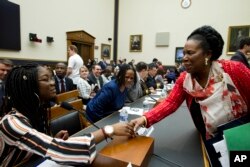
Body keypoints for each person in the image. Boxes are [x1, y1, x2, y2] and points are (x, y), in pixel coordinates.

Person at [131, 25, 250, 166]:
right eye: (184, 53)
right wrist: (144, 119)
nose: (184, 58)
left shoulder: (234, 70)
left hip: (241, 136)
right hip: (212, 140)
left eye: (190, 53)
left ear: (208, 54)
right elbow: (170, 103)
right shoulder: (185, 80)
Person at [0, 64, 135, 166]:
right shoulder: (12, 123)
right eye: (45, 79)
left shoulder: (36, 112)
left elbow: (32, 145)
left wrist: (52, 138)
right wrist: (108, 130)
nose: (53, 82)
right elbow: (61, 150)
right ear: (30, 87)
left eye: (51, 78)